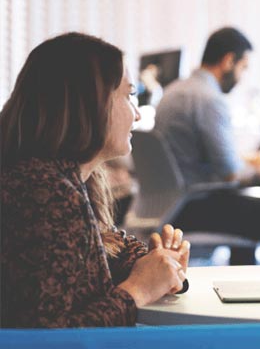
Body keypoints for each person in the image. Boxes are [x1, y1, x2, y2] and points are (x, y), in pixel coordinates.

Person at [0, 32, 191, 327]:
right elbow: (49, 339)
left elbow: (99, 253)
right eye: (128, 96)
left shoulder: (66, 177)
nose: (137, 114)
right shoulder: (45, 192)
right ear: (90, 103)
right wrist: (138, 289)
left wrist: (153, 263)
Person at [154, 27, 260, 265]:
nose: (242, 76)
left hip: (171, 204)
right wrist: (258, 168)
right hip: (194, 205)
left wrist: (244, 162)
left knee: (249, 214)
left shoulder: (174, 91)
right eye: (243, 67)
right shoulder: (208, 98)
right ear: (228, 61)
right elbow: (230, 171)